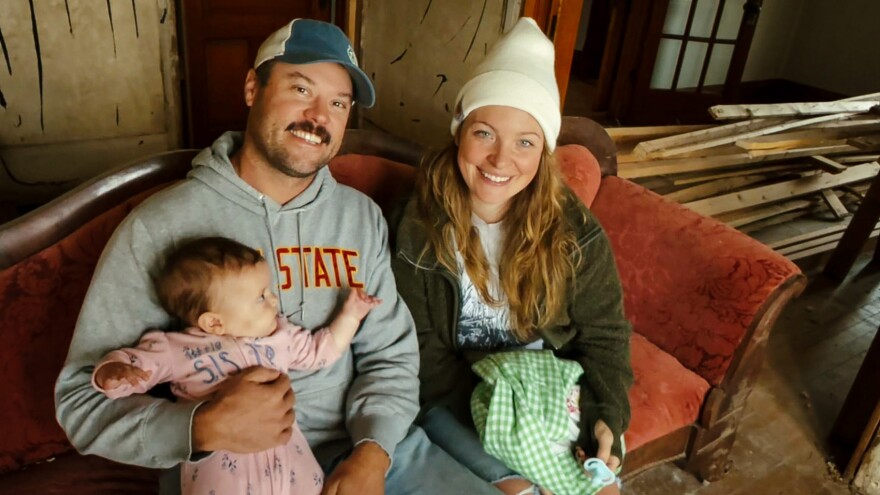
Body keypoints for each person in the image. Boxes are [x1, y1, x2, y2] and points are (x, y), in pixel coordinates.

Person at [56, 18, 502, 495]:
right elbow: (81, 402)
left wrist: (373, 452)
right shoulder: (158, 226)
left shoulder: (360, 218)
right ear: (253, 87)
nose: (318, 116)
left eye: (338, 102)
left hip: (368, 450)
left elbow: (389, 356)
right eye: (300, 88)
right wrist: (198, 427)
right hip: (225, 468)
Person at [389, 17, 633, 495]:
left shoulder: (573, 230)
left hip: (549, 389)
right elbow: (420, 350)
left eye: (525, 141)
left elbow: (605, 335)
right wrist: (501, 418)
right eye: (484, 133)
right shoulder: (415, 225)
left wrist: (607, 418)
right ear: (459, 131)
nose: (501, 160)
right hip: (456, 395)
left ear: (544, 152)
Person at [92, 236, 380, 495]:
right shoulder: (176, 348)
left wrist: (351, 316)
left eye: (268, 291)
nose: (273, 299)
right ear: (214, 322)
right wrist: (114, 372)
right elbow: (136, 367)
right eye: (261, 297)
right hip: (222, 478)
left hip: (293, 471)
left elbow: (323, 350)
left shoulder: (279, 337)